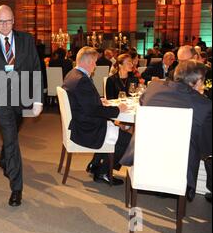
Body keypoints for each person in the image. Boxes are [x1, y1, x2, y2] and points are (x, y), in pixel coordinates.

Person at [0, 5, 43, 207]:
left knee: (12, 135)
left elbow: (35, 68)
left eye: (8, 21)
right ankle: (17, 188)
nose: (5, 25)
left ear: (14, 20)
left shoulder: (26, 40)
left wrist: (38, 99)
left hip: (21, 98)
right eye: (0, 21)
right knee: (12, 140)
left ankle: (5, 158)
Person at [121, 60, 212, 202]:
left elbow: (142, 103)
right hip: (178, 169)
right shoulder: (203, 104)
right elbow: (207, 147)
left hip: (144, 157)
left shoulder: (153, 88)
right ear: (198, 80)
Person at [62, 47, 130, 186]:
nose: (95, 65)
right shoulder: (82, 80)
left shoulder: (72, 74)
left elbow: (85, 102)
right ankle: (103, 172)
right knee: (128, 140)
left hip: (81, 122)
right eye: (94, 62)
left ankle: (94, 165)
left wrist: (99, 100)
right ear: (87, 61)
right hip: (88, 128)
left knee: (117, 131)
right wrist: (117, 109)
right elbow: (93, 110)